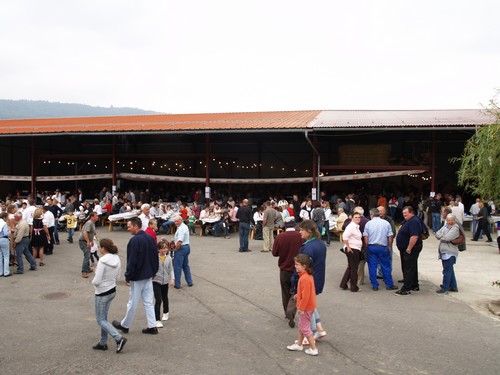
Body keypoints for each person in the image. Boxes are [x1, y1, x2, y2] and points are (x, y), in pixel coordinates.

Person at [112, 217, 159, 335]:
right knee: (148, 301)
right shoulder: (150, 238)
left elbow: (132, 261)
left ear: (136, 226)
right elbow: (155, 257)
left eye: (129, 226)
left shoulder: (134, 241)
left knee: (132, 301)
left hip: (138, 276)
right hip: (148, 274)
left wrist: (128, 276)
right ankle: (152, 325)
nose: (128, 229)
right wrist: (154, 271)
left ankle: (125, 325)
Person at [292, 220, 327, 343]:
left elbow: (301, 267)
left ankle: (309, 335)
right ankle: (319, 329)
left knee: (307, 308)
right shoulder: (320, 244)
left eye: (302, 230)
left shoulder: (307, 247)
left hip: (308, 280)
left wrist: (296, 285)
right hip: (318, 278)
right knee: (311, 305)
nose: (300, 232)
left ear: (308, 231)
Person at [91, 238, 127, 353]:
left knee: (100, 319)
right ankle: (103, 342)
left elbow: (97, 281)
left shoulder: (102, 261)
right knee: (104, 318)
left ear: (102, 248)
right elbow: (117, 277)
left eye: (99, 247)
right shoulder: (116, 258)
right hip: (112, 290)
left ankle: (118, 338)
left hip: (101, 292)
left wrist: (93, 281)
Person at [286, 254, 318, 356]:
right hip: (309, 306)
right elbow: (305, 292)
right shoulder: (307, 276)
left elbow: (306, 296)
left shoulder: (304, 278)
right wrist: (298, 295)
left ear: (304, 266)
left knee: (305, 328)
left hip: (306, 307)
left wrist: (301, 308)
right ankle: (299, 344)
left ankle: (313, 348)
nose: (295, 266)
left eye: (297, 264)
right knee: (302, 325)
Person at [272, 221, 303, 327]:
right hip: (299, 268)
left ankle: (287, 312)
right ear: (295, 226)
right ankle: (293, 310)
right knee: (297, 291)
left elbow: (274, 253)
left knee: (285, 291)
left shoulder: (280, 237)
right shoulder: (301, 236)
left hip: (285, 268)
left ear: (285, 227)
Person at [363, 208, 397, 291]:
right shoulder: (386, 223)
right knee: (386, 266)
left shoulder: (368, 224)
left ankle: (375, 285)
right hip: (383, 247)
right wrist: (389, 246)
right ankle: (389, 284)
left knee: (372, 266)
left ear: (372, 215)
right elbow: (390, 236)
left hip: (372, 246)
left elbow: (366, 237)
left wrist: (366, 246)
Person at [395, 206, 424, 296]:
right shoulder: (409, 220)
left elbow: (414, 236)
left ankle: (406, 289)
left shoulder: (414, 221)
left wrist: (409, 248)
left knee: (409, 267)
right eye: (403, 213)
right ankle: (414, 285)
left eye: (406, 213)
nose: (404, 215)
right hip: (407, 248)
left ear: (412, 212)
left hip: (412, 248)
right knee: (412, 266)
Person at [435, 214, 460, 294]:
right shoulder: (445, 226)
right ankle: (453, 286)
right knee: (450, 270)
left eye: (451, 220)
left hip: (450, 252)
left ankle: (445, 288)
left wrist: (441, 236)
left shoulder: (455, 229)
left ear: (454, 220)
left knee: (447, 271)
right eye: (448, 220)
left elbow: (447, 238)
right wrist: (442, 235)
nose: (449, 222)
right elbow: (437, 234)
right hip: (444, 251)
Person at [153, 241, 174, 328]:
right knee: (158, 299)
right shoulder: (154, 258)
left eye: (166, 248)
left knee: (165, 297)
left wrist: (172, 279)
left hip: (165, 281)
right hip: (156, 281)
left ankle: (166, 312)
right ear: (158, 249)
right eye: (163, 248)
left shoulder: (169, 258)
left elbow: (171, 270)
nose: (165, 249)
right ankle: (157, 319)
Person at [339, 212, 362, 292]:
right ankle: (353, 287)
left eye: (359, 217)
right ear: (352, 218)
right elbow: (345, 236)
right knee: (354, 268)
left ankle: (343, 284)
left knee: (350, 267)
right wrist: (348, 247)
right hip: (352, 249)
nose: (358, 218)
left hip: (354, 248)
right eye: (356, 217)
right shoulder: (351, 226)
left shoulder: (355, 226)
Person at [172, 215, 193, 289]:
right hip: (187, 247)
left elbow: (179, 241)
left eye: (177, 221)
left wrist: (175, 249)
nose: (176, 223)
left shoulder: (181, 228)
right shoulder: (184, 226)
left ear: (181, 220)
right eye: (175, 221)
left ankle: (177, 284)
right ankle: (189, 281)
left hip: (181, 248)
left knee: (177, 267)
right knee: (185, 265)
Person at [79, 212, 99, 278]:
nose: (97, 217)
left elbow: (92, 232)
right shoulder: (89, 223)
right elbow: (85, 232)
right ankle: (84, 272)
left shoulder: (92, 223)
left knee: (88, 254)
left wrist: (92, 240)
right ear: (92, 217)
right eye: (96, 216)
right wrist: (88, 241)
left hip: (87, 241)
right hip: (83, 241)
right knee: (87, 256)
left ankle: (87, 268)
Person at [0, 212, 11, 277]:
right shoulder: (4, 223)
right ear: (4, 217)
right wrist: (10, 231)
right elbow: (6, 233)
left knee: (0, 256)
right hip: (3, 239)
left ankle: (0, 272)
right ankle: (6, 272)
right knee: (6, 256)